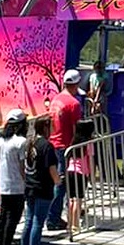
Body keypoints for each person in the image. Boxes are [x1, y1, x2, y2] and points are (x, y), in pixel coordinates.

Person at [19, 115, 60, 245]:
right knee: (37, 223)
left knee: (28, 222)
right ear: (45, 128)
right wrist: (57, 181)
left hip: (30, 186)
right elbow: (51, 167)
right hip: (43, 187)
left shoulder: (30, 142)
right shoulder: (47, 146)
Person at [44, 70, 83, 233]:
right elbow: (77, 128)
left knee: (58, 181)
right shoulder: (73, 104)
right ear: (76, 85)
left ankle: (56, 215)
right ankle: (53, 218)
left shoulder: (56, 99)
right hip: (65, 146)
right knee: (61, 183)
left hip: (53, 143)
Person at [0, 110, 28, 245]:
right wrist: (26, 181)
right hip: (16, 185)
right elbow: (22, 166)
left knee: (3, 218)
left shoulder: (1, 141)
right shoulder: (21, 141)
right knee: (12, 219)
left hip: (4, 183)